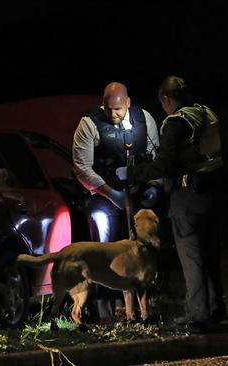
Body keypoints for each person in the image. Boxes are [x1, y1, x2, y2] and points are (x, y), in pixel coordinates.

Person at [117, 75, 227, 333]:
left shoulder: (176, 122)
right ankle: (215, 309)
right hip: (213, 192)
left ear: (166, 99)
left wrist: (131, 173)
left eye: (162, 102)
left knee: (192, 256)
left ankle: (198, 315)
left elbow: (165, 164)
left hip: (187, 195)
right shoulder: (205, 113)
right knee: (211, 254)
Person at [72, 81, 160, 323]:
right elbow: (82, 167)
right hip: (103, 197)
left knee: (140, 254)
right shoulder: (89, 123)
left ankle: (139, 310)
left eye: (118, 110)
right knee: (104, 252)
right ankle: (105, 312)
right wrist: (112, 194)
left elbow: (157, 157)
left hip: (137, 199)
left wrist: (154, 187)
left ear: (128, 104)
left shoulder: (145, 120)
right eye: (108, 109)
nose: (113, 114)